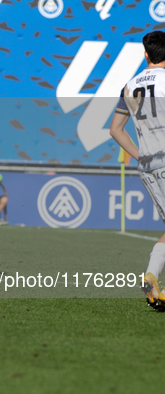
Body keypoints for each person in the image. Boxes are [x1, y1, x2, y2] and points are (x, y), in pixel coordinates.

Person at [110, 30, 165, 308]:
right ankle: (152, 276)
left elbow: (115, 130)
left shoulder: (129, 87)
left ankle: (152, 276)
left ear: (146, 55)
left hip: (148, 166)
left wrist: (140, 155)